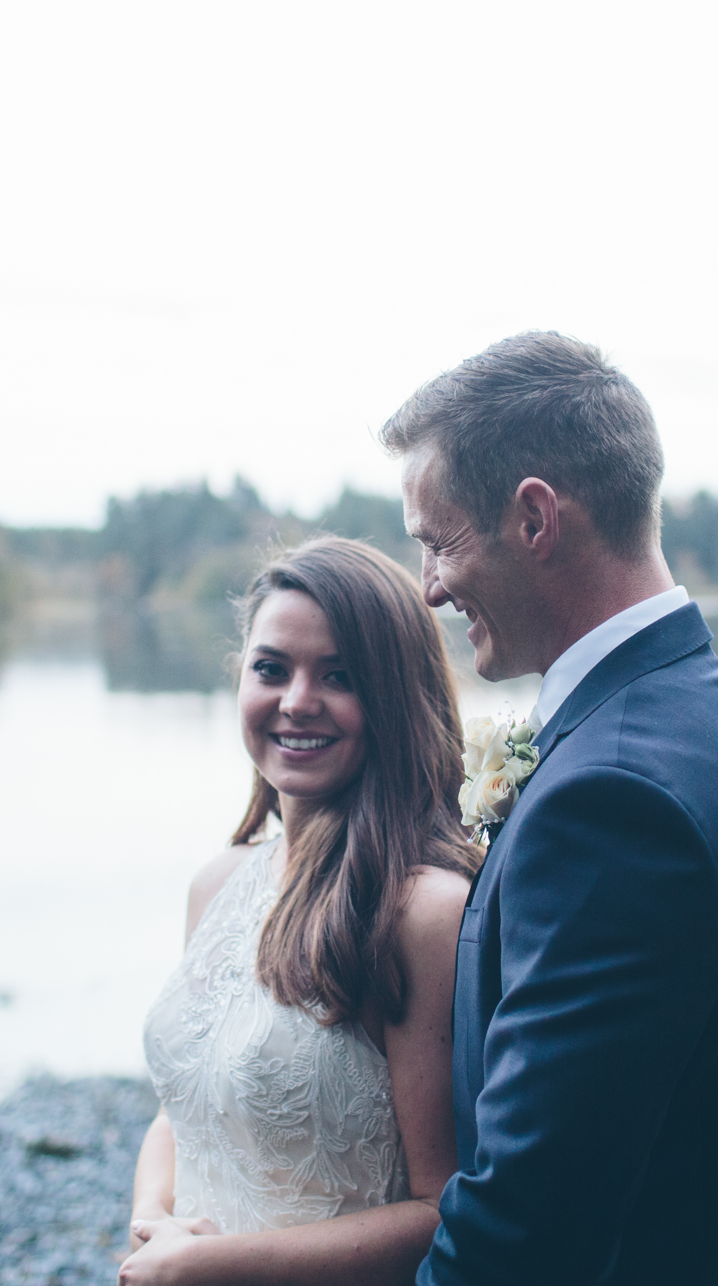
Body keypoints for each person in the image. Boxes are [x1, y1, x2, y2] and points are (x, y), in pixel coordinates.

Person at [386, 332, 718, 1285]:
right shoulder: (716, 715)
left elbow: (526, 1225)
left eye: (438, 540)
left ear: (535, 517)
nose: (429, 587)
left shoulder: (612, 798)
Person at [122, 537, 481, 1286]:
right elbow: (182, 1109)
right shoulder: (217, 883)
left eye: (339, 675)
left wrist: (214, 1265)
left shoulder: (425, 911)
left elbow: (446, 1206)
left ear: (394, 695)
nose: (295, 700)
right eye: (271, 668)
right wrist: (156, 1222)